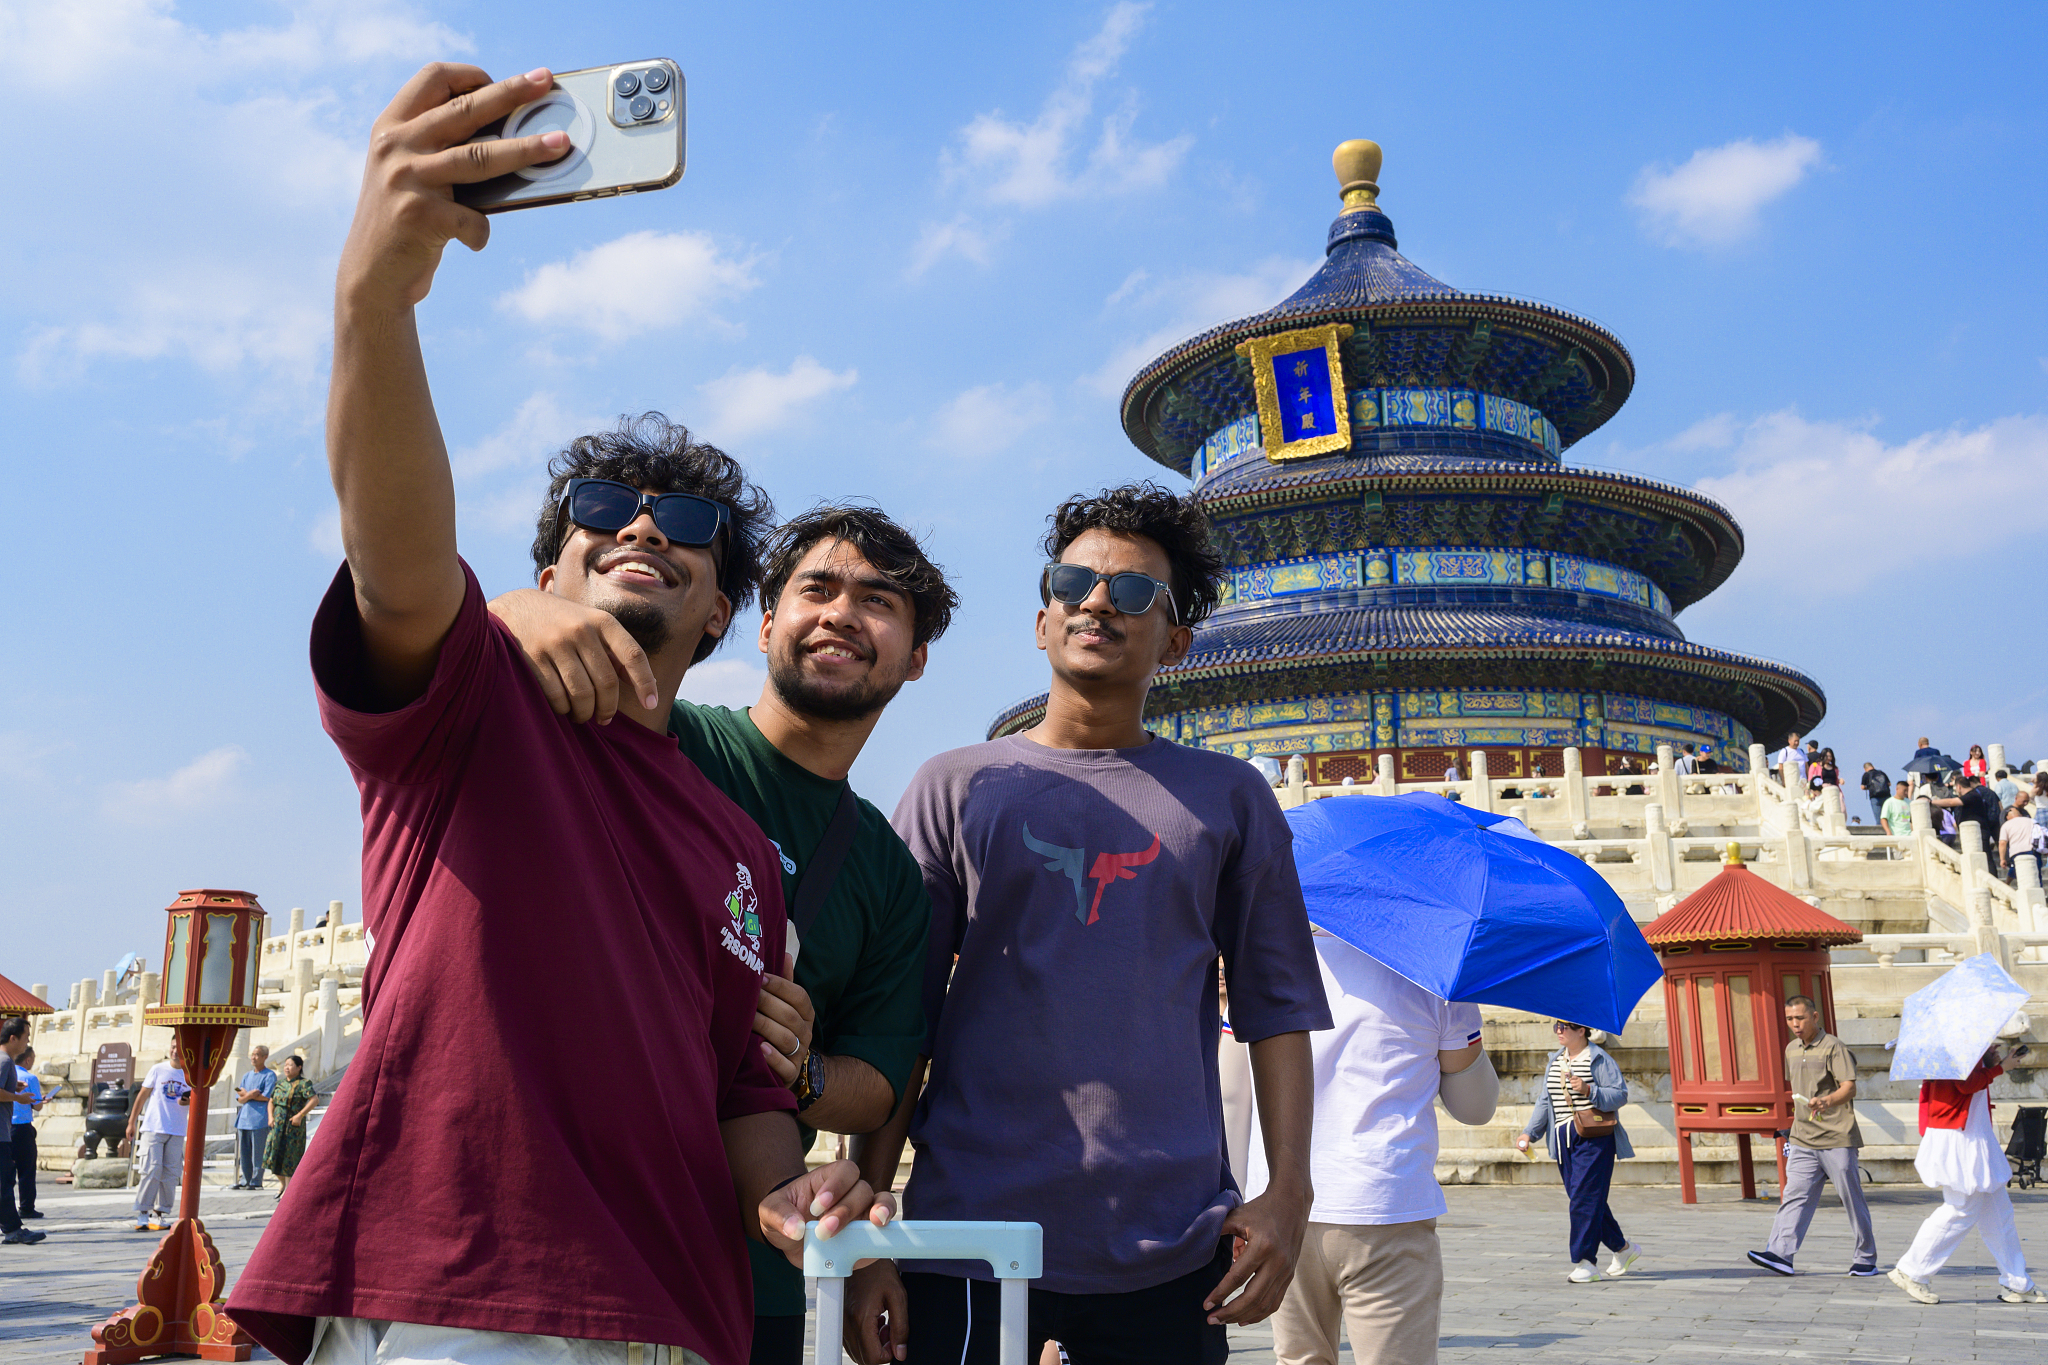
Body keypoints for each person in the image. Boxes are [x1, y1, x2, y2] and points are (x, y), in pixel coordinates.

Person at [224, 62, 887, 1365]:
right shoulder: (469, 708)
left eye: (686, 526)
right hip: (466, 1296)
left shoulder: (747, 851)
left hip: (677, 1312)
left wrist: (796, 1193)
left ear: (717, 617)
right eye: (598, 513)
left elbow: (746, 1098)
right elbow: (397, 556)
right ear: (546, 571)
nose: (641, 525)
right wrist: (376, 298)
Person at [847, 484, 1331, 1365]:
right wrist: (873, 1226)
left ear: (1175, 642)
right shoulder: (956, 786)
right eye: (1074, 582)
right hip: (968, 1242)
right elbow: (900, 1018)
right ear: (1043, 621)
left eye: (1136, 591)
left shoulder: (1230, 799)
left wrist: (1288, 1192)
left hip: (1172, 1246)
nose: (1099, 601)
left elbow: (1278, 1006)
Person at [489, 503, 955, 1365]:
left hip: (761, 1264)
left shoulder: (890, 870)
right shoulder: (662, 737)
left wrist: (796, 1065)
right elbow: (523, 660)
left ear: (916, 656)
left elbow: (884, 1080)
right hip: (581, 1234)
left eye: (879, 601)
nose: (843, 614)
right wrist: (519, 605)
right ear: (764, 621)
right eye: (816, 588)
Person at [1245, 931, 1498, 1364]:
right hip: (1384, 1201)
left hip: (1284, 1206)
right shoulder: (1431, 971)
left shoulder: (1267, 962)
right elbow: (1475, 1106)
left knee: (1300, 1358)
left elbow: (1232, 1093)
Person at [1889, 1041, 2045, 1305]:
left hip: (1970, 1134)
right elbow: (1965, 1083)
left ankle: (2017, 1282)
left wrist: (1990, 1061)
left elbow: (1968, 1082)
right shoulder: (1955, 1046)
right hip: (1959, 1137)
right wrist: (2000, 1067)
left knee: (1999, 1213)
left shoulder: (1957, 1044)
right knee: (1961, 1207)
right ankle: (1912, 1271)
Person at [1747, 996, 1876, 1276]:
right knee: (1794, 1195)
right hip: (1803, 1137)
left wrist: (1827, 1101)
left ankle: (1866, 1258)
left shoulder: (1834, 1047)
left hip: (1837, 1137)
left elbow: (1849, 1088)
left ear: (1815, 1017)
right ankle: (1781, 1254)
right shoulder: (1791, 1049)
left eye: (1800, 1018)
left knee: (1850, 1198)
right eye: (1790, 1019)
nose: (1795, 1024)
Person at [1515, 1022, 1638, 1283]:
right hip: (1562, 1138)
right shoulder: (1556, 1060)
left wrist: (1589, 1090)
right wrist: (1529, 1133)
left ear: (1581, 1030)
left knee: (1583, 1198)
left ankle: (1585, 1262)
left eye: (1564, 1027)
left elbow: (1620, 1095)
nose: (1558, 1031)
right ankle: (1622, 1249)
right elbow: (1545, 1100)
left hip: (1594, 1137)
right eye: (1556, 1026)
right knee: (1586, 1198)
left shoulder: (1599, 1059)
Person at [125, 1052, 191, 1234]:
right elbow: (142, 1096)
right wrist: (132, 1122)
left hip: (177, 1130)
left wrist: (188, 1101)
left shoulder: (190, 1074)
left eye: (179, 1047)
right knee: (152, 1169)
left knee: (170, 1174)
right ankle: (143, 1212)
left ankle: (161, 1214)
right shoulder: (158, 1069)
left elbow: (196, 1100)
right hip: (154, 1127)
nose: (175, 1051)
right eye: (172, 1047)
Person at [0, 1019, 41, 1246]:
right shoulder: (5, 1061)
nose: (27, 1041)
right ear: (12, 1038)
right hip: (0, 1135)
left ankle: (12, 1228)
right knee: (4, 1182)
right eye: (25, 1036)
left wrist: (11, 1087)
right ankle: (13, 1229)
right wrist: (18, 1098)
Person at [263, 1056, 318, 1195]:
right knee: (270, 1156)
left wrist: (300, 1114)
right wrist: (270, 1116)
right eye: (285, 1065)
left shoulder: (303, 1083)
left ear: (299, 1067)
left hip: (293, 1126)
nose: (286, 1067)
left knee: (290, 1158)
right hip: (277, 1125)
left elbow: (314, 1099)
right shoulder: (280, 1084)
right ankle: (282, 1184)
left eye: (290, 1065)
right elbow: (271, 1101)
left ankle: (289, 1191)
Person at [1925, 773, 2004, 858]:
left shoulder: (1972, 795)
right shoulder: (1970, 795)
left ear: (1959, 786)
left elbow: (1951, 802)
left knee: (1985, 857)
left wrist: (1930, 802)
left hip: (1978, 831)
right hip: (1969, 831)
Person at [233, 1045, 277, 1190]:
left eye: (257, 1055)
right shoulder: (246, 1076)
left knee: (257, 1153)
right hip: (244, 1118)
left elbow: (266, 1096)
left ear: (265, 1057)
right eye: (253, 1054)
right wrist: (250, 1095)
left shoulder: (269, 1075)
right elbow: (239, 1096)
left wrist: (248, 1096)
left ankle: (256, 1180)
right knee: (244, 1153)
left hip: (259, 1119)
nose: (254, 1057)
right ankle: (245, 1179)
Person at [11, 1046, 45, 1221]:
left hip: (5, 1126)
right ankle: (26, 1207)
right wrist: (43, 1100)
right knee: (26, 1170)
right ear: (28, 1060)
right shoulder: (29, 1077)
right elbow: (37, 1104)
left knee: (6, 1170)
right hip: (23, 1127)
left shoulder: (7, 1073)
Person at [1998, 797, 2041, 881]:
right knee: (2036, 874)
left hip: (2016, 852)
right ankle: (2039, 890)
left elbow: (2002, 843)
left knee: (2019, 872)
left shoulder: (2006, 825)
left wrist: (2002, 859)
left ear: (2008, 817)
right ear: (2020, 815)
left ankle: (2010, 885)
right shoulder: (2031, 821)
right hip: (2033, 850)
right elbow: (2041, 835)